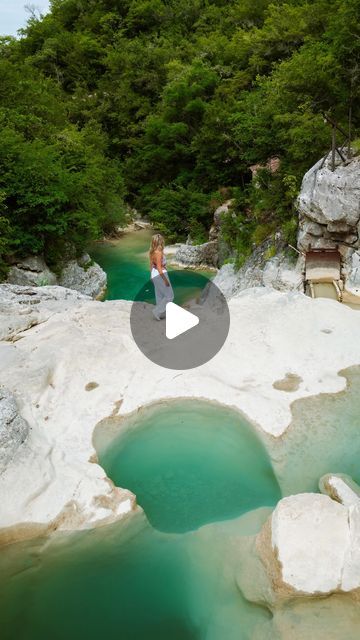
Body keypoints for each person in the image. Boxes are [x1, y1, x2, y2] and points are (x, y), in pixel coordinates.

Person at [149, 233, 174, 320]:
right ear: (160, 242)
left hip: (154, 273)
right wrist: (165, 280)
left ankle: (159, 314)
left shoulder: (152, 252)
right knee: (170, 296)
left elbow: (151, 265)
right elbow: (159, 268)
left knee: (159, 295)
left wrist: (151, 276)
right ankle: (157, 311)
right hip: (160, 274)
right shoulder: (158, 253)